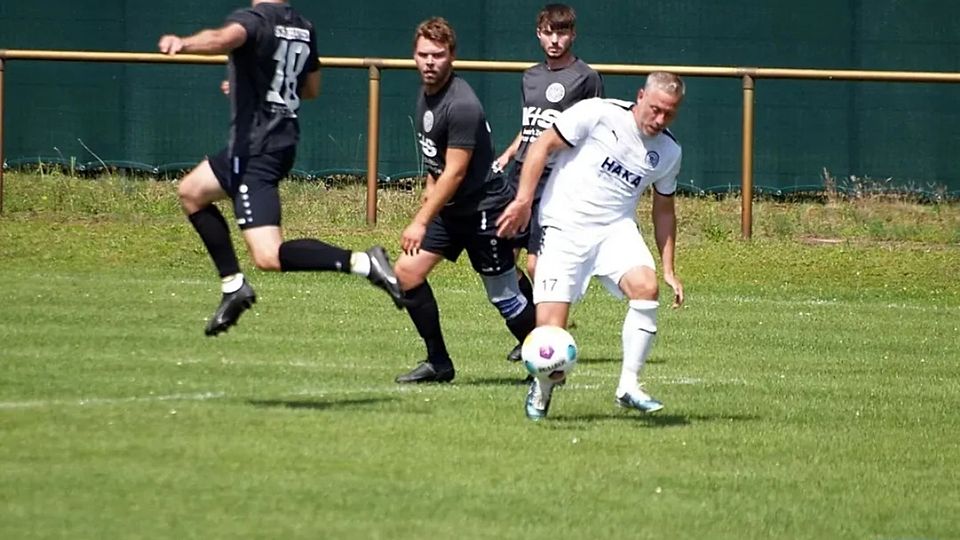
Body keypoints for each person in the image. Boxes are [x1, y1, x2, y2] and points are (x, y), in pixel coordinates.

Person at [158, 0, 403, 337]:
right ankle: (232, 285)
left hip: (256, 150)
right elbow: (311, 89)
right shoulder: (304, 26)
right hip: (275, 142)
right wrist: (254, 84)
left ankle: (363, 262)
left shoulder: (254, 20)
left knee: (268, 255)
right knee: (191, 192)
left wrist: (184, 44)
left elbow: (221, 38)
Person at [497, 72, 687, 421]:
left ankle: (628, 385)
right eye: (656, 109)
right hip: (564, 227)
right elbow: (541, 146)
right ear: (640, 95)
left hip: (615, 231)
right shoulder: (598, 113)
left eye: (669, 114)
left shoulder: (669, 151)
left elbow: (664, 209)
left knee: (646, 287)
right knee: (550, 333)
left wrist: (670, 269)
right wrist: (524, 200)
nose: (660, 120)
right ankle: (542, 389)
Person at [393, 17, 536, 384]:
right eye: (423, 54)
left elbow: (455, 172)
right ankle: (439, 363)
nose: (429, 62)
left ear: (452, 56)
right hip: (452, 209)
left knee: (503, 296)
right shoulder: (427, 92)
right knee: (407, 274)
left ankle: (545, 360)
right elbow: (436, 159)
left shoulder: (462, 105)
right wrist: (429, 187)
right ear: (414, 55)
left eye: (438, 55)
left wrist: (422, 218)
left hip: (484, 210)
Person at [493, 4, 604, 362]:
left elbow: (593, 130)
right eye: (547, 32)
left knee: (536, 265)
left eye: (562, 33)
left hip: (556, 181)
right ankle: (530, 330)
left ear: (573, 34)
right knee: (502, 258)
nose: (555, 40)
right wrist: (512, 151)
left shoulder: (586, 78)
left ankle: (545, 337)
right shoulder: (530, 76)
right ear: (538, 34)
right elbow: (533, 128)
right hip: (520, 176)